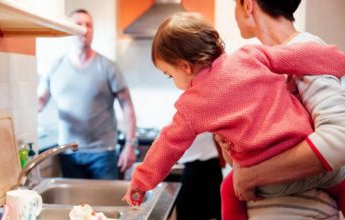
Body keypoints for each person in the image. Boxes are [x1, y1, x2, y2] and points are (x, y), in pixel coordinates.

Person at [121, 12, 345, 214]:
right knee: (342, 181)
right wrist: (340, 61)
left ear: (185, 66)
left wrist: (140, 182)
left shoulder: (192, 105)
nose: (174, 82)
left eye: (170, 75)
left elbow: (167, 145)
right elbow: (303, 57)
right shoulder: (249, 55)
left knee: (229, 189)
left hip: (268, 179)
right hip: (307, 156)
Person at [214, 0, 345, 209]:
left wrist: (252, 175)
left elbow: (340, 137)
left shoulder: (306, 51)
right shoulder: (263, 61)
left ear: (248, 5)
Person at [37, 9, 137, 179]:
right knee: (74, 206)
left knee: (105, 206)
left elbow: (127, 106)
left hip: (102, 154)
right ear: (69, 30)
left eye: (89, 25)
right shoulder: (55, 66)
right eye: (79, 24)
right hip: (68, 153)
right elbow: (39, 102)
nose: (85, 29)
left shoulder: (107, 67)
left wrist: (130, 144)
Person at [175, 132, 223, 220]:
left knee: (187, 210)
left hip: (197, 170)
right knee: (215, 208)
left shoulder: (183, 121)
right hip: (211, 167)